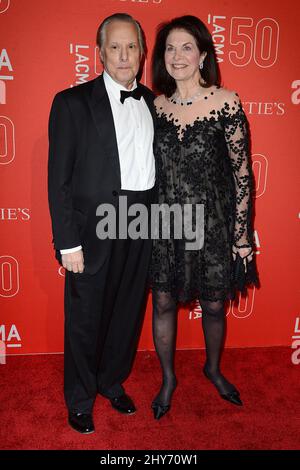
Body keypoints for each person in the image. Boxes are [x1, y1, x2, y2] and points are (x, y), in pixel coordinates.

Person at [48, 13, 156, 434]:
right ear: (99, 53)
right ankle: (79, 399)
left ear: (142, 53)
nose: (124, 55)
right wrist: (67, 242)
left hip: (143, 220)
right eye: (115, 46)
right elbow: (59, 181)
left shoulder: (151, 102)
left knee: (127, 311)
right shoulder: (71, 103)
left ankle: (111, 381)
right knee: (85, 316)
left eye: (132, 47)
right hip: (93, 228)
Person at [149, 15, 259, 419]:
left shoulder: (226, 101)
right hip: (164, 223)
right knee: (161, 302)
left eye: (187, 47)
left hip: (212, 224)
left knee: (214, 306)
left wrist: (241, 236)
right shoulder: (155, 104)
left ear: (203, 56)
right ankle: (167, 378)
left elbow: (242, 172)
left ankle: (212, 368)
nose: (177, 56)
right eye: (170, 48)